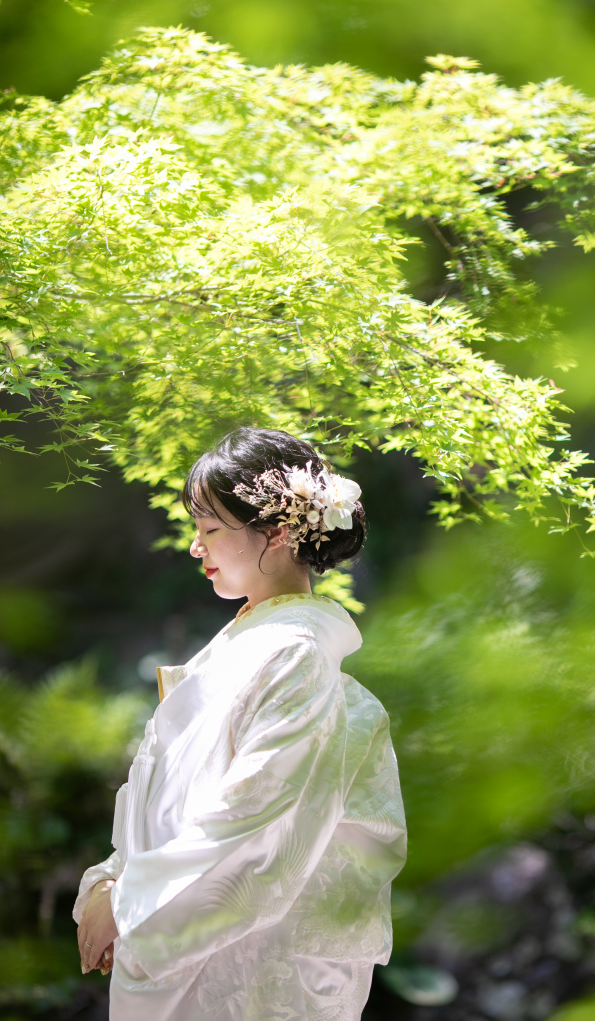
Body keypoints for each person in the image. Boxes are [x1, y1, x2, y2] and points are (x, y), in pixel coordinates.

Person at [73, 427, 407, 1021]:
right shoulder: (252, 646)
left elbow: (259, 820)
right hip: (197, 948)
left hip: (245, 968)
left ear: (276, 533)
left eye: (209, 530)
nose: (196, 548)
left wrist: (128, 901)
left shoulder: (294, 655)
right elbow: (161, 802)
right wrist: (110, 881)